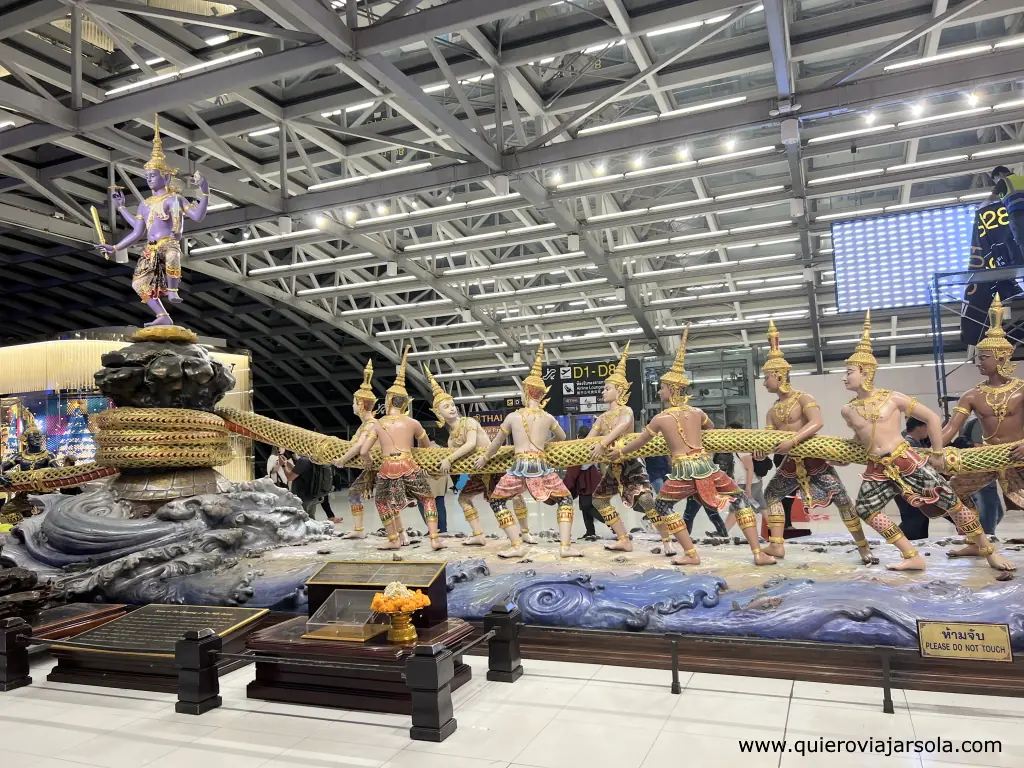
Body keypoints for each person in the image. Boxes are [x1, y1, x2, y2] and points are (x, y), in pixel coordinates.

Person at [840, 312, 1012, 571]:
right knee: (866, 509)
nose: (845, 377)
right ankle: (911, 556)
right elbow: (860, 440)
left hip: (905, 459)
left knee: (952, 503)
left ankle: (988, 553)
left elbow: (932, 417)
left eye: (849, 372)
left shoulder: (892, 397)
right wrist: (839, 456)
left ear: (866, 372)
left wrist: (938, 452)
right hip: (877, 468)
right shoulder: (848, 409)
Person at [611, 328, 775, 566]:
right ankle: (758, 553)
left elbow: (640, 442)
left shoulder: (660, 418)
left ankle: (691, 554)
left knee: (662, 506)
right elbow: (714, 435)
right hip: (706, 465)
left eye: (663, 387)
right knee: (739, 500)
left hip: (682, 471)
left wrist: (620, 452)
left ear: (672, 390)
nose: (659, 391)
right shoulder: (698, 413)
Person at [756, 322, 865, 561]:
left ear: (779, 376)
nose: (765, 382)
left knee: (843, 500)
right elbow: (768, 439)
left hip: (814, 459)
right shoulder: (773, 411)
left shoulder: (803, 398)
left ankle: (862, 545)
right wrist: (760, 452)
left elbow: (817, 422)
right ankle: (776, 544)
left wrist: (792, 441)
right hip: (790, 464)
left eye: (767, 377)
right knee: (772, 495)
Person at [95, 115, 210, 326]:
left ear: (165, 177)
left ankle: (173, 290)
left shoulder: (175, 199)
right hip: (150, 249)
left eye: (153, 175)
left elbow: (197, 216)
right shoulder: (145, 204)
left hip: (168, 244)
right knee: (139, 283)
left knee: (173, 257)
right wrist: (115, 245)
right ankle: (162, 316)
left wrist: (204, 194)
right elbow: (137, 231)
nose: (149, 179)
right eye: (147, 176)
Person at [475, 342, 581, 557]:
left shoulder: (514, 416)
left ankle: (516, 546)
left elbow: (496, 443)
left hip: (519, 465)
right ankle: (565, 547)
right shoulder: (548, 417)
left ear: (526, 392)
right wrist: (543, 443)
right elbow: (562, 437)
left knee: (497, 501)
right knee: (565, 499)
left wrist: (485, 458)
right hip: (542, 464)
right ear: (542, 395)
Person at [588, 343, 686, 553]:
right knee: (598, 500)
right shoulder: (602, 417)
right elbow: (589, 438)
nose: (603, 392)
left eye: (607, 388)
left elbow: (622, 426)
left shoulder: (627, 410)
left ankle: (666, 541)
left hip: (630, 462)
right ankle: (623, 538)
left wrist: (603, 442)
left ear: (620, 391)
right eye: (604, 388)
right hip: (612, 466)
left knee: (646, 500)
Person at [941, 295, 1021, 538]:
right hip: (987, 455)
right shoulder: (972, 395)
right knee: (950, 492)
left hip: (1019, 451)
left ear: (1002, 358)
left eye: (983, 357)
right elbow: (950, 429)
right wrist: (929, 449)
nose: (978, 362)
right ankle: (976, 539)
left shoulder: (1021, 388)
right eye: (977, 357)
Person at [369, 348, 445, 551]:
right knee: (427, 499)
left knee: (382, 502)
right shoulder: (412, 422)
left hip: (387, 468)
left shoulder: (378, 424)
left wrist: (367, 462)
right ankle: (435, 539)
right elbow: (426, 445)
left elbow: (364, 450)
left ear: (388, 400)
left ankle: (393, 539)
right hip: (409, 464)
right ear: (405, 404)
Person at [423, 367, 498, 547]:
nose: (451, 409)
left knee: (501, 502)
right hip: (478, 473)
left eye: (452, 405)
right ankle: (478, 534)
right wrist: (433, 471)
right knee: (463, 499)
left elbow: (471, 444)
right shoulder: (450, 439)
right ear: (438, 413)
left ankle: (522, 535)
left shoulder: (469, 422)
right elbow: (453, 466)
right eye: (445, 407)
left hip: (493, 467)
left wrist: (449, 459)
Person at [333, 360, 378, 539]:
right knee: (354, 493)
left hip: (380, 468)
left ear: (360, 405)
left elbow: (360, 446)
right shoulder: (364, 425)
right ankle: (359, 530)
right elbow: (353, 444)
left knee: (386, 502)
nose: (352, 406)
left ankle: (399, 534)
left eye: (354, 403)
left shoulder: (372, 424)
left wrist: (342, 460)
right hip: (371, 468)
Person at [564, 425, 604, 540]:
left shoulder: (580, 447)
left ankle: (614, 525)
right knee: (585, 507)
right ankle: (590, 531)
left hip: (588, 481)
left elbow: (573, 470)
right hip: (590, 479)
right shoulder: (593, 445)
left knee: (588, 506)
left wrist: (567, 486)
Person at [895, 417, 932, 540]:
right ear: (919, 427)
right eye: (926, 426)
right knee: (913, 520)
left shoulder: (917, 444)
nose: (929, 430)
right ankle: (898, 544)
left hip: (913, 489)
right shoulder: (908, 445)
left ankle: (919, 547)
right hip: (907, 489)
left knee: (921, 520)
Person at [286, 454, 334, 521]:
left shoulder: (303, 461)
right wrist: (290, 465)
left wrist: (284, 465)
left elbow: (289, 477)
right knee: (311, 519)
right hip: (314, 495)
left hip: (302, 497)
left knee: (301, 520)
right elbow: (301, 471)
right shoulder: (317, 458)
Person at [992, 166, 1024, 248]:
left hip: (1017, 215)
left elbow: (990, 199)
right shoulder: (1022, 178)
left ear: (1000, 174)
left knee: (1021, 241)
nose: (997, 182)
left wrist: (980, 208)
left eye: (996, 180)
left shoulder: (1003, 181)